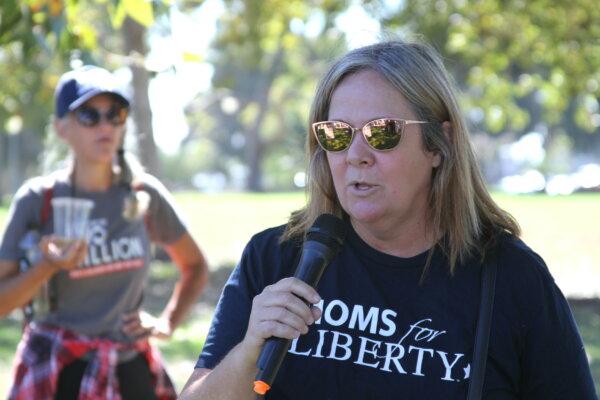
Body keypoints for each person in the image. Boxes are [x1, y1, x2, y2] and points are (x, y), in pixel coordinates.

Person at [179, 39, 597, 400]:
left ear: (439, 145)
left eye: (382, 132)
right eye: (337, 134)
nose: (356, 154)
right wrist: (251, 348)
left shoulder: (511, 278)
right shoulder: (276, 258)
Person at [0, 65, 209, 400]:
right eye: (89, 115)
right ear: (61, 127)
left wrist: (167, 323)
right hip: (59, 370)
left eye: (116, 114)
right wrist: (47, 265)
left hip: (130, 371)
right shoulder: (38, 200)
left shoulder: (143, 195)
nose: (106, 125)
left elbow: (195, 266)